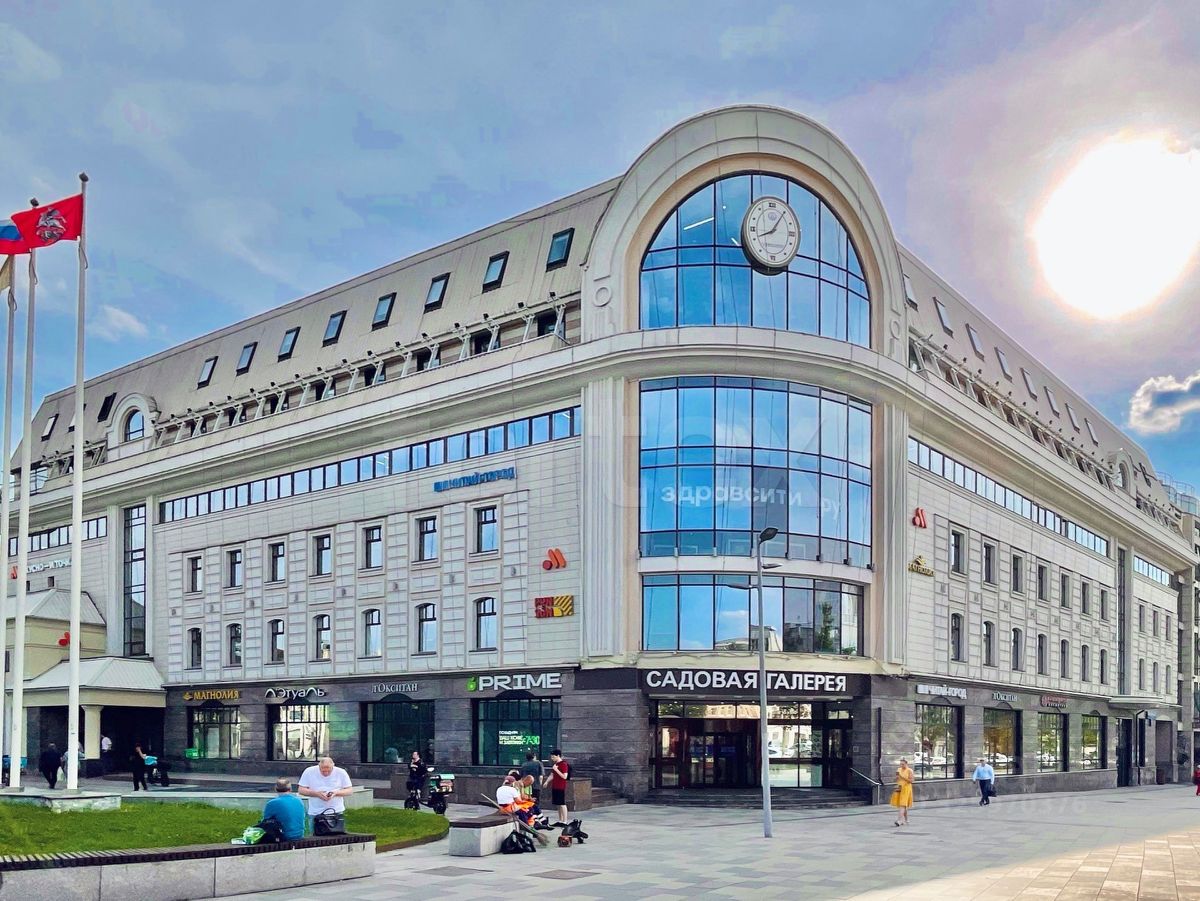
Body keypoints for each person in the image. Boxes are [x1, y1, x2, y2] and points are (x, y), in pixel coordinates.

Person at [298, 756, 353, 825]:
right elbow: (301, 790)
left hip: (336, 811)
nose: (326, 773)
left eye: (329, 771)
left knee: (337, 832)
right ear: (319, 766)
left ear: (333, 766)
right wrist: (317, 794)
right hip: (315, 812)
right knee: (314, 831)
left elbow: (349, 790)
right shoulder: (309, 771)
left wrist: (335, 793)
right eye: (323, 771)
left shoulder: (341, 772)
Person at [544, 749, 570, 827]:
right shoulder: (556, 764)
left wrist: (556, 769)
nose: (552, 758)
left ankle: (565, 821)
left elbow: (564, 776)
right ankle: (560, 820)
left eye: (553, 757)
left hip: (561, 786)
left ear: (558, 756)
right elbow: (552, 775)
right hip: (555, 786)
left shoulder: (563, 764)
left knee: (562, 804)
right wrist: (547, 782)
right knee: (558, 804)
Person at [890, 758, 914, 826]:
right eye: (900, 764)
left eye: (903, 764)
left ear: (906, 764)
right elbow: (896, 779)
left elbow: (911, 781)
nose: (901, 765)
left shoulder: (909, 770)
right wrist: (896, 778)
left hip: (906, 788)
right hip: (899, 787)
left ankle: (899, 820)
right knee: (902, 805)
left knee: (902, 804)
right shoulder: (899, 769)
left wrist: (902, 777)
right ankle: (906, 820)